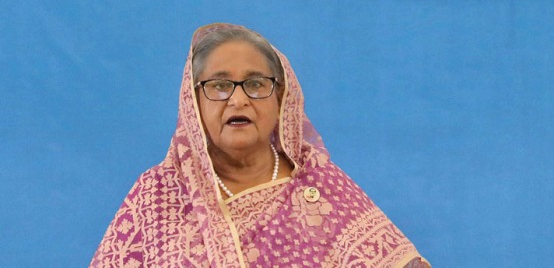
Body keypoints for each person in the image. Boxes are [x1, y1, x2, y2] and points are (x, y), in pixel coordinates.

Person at [91, 23, 429, 267]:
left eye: (255, 84)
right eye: (219, 85)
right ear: (193, 102)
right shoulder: (157, 194)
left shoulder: (320, 186)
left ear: (280, 96)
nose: (238, 100)